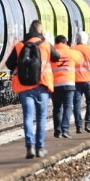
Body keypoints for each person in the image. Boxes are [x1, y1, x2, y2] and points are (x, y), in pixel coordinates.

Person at [5, 19, 60, 159]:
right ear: (41, 31)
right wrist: (48, 40)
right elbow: (57, 57)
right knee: (41, 118)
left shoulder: (20, 46)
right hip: (42, 86)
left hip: (24, 87)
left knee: (28, 117)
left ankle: (29, 146)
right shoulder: (46, 45)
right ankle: (40, 148)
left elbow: (9, 64)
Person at [52, 35, 82, 139]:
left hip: (55, 84)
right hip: (69, 84)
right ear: (66, 43)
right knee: (68, 106)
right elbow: (80, 62)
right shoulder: (72, 53)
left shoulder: (51, 53)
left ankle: (57, 131)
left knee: (56, 108)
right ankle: (65, 129)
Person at [72, 31, 90, 134]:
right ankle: (88, 123)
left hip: (76, 80)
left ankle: (78, 126)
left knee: (76, 104)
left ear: (76, 40)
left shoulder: (72, 49)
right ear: (86, 40)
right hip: (88, 80)